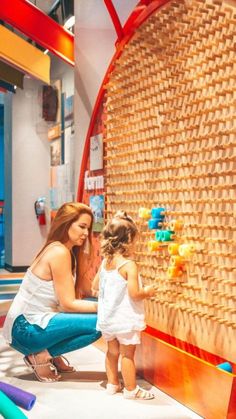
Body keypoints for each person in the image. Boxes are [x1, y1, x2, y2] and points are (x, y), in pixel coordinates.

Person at [3, 202, 101, 382]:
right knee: (101, 323)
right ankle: (41, 356)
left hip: (26, 325)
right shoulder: (59, 252)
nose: (86, 234)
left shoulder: (66, 251)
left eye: (88, 228)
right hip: (25, 328)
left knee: (94, 307)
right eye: (82, 226)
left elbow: (87, 290)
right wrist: (107, 306)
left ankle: (49, 354)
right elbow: (68, 304)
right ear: (66, 223)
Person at [92, 210, 157, 400]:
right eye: (135, 241)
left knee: (112, 352)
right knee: (127, 355)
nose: (135, 245)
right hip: (124, 320)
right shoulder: (129, 265)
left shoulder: (106, 262)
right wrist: (148, 291)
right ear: (128, 239)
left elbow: (94, 286)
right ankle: (131, 389)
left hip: (107, 319)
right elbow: (135, 294)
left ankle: (112, 384)